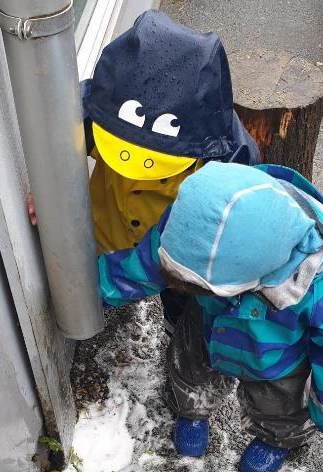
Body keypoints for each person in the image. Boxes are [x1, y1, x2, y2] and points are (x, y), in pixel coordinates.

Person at [97, 162, 323, 472]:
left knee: (280, 404)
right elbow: (148, 264)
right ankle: (192, 408)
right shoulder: (198, 218)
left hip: (276, 357)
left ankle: (276, 437)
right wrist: (96, 289)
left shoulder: (316, 285)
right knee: (188, 368)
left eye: (196, 285)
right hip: (207, 325)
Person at [79, 9, 259, 334]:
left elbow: (190, 248)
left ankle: (174, 328)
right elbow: (64, 121)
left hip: (176, 265)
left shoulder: (225, 164)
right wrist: (50, 185)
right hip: (107, 240)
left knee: (181, 312)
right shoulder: (98, 112)